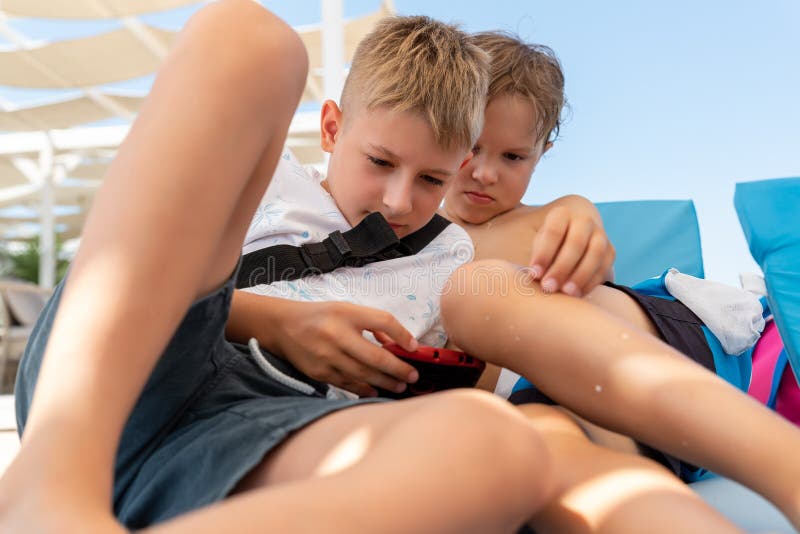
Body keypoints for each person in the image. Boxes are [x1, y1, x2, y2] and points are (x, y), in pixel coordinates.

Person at [0, 5, 560, 533]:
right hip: (127, 374)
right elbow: (137, 277)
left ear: (457, 170)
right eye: (380, 162)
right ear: (333, 130)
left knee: (501, 448)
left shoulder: (450, 256)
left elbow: (499, 378)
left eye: (431, 181)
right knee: (251, 39)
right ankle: (47, 482)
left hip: (259, 435)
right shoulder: (267, 180)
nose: (397, 200)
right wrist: (277, 323)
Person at [438, 31, 800, 530]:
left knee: (529, 304)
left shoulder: (554, 216)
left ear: (541, 152)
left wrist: (582, 237)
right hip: (544, 410)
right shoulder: (407, 239)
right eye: (470, 147)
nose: (484, 172)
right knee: (547, 451)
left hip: (639, 357)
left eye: (512, 157)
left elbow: (594, 267)